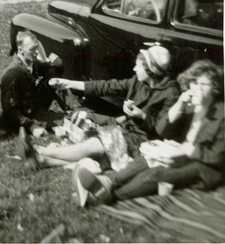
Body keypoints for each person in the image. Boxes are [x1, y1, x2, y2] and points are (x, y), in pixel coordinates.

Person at [72, 59, 224, 207]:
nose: (197, 88)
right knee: (144, 161)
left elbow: (218, 156)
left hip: (203, 166)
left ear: (215, 87)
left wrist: (189, 150)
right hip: (178, 154)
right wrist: (179, 105)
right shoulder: (189, 107)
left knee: (156, 174)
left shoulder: (221, 113)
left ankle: (108, 197)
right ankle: (106, 183)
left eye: (203, 84)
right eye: (194, 82)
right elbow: (161, 131)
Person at [17, 45, 180, 170]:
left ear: (151, 70)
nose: (134, 69)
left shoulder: (170, 93)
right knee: (88, 129)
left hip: (144, 140)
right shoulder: (138, 81)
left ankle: (39, 152)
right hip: (126, 128)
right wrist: (69, 83)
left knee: (95, 144)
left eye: (138, 67)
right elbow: (105, 86)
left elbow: (162, 130)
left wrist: (141, 116)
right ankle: (40, 161)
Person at [0, 30, 69, 138]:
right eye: (32, 49)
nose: (37, 52)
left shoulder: (31, 62)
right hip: (26, 115)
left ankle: (60, 108)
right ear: (20, 50)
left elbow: (55, 70)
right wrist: (31, 126)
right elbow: (9, 111)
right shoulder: (12, 75)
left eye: (37, 47)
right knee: (67, 121)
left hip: (35, 105)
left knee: (54, 71)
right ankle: (44, 117)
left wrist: (59, 64)